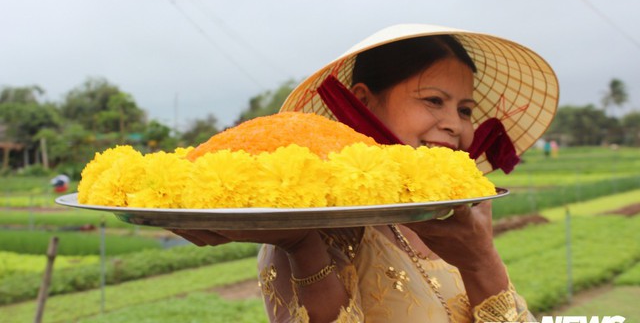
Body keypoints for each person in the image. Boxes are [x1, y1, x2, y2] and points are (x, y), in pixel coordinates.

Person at [173, 24, 559, 322]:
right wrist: (302, 246)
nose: (455, 126)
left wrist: (482, 261)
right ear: (363, 101)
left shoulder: (455, 222)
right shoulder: (321, 224)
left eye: (465, 110)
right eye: (434, 101)